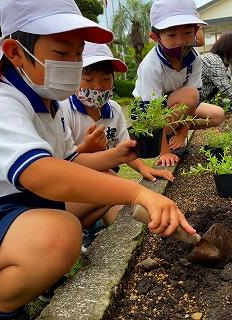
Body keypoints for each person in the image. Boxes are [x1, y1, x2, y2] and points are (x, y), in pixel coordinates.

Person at [0, 0, 195, 319]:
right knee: (60, 235)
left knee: (107, 185)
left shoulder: (48, 101)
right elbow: (40, 173)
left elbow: (70, 163)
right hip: (1, 208)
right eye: (62, 53)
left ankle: (30, 265)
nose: (73, 64)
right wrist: (137, 192)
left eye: (78, 53)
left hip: (22, 206)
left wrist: (115, 155)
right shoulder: (0, 100)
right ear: (16, 52)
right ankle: (2, 307)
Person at [61, 42, 175, 250]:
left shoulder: (113, 109)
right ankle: (74, 232)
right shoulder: (64, 109)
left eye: (106, 79)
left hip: (103, 187)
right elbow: (60, 163)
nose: (97, 87)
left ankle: (90, 229)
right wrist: (85, 147)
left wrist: (144, 168)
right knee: (110, 181)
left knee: (130, 223)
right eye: (88, 79)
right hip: (68, 193)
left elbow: (125, 146)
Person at [133, 0, 225, 167]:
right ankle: (162, 140)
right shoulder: (150, 66)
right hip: (147, 120)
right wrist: (164, 151)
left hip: (175, 110)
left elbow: (193, 104)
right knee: (189, 94)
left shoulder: (194, 59)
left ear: (196, 32)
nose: (181, 41)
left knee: (217, 114)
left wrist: (182, 135)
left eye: (187, 33)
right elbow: (152, 114)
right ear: (155, 37)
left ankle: (174, 132)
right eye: (171, 35)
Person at [200, 32, 232, 103]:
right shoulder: (214, 61)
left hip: (199, 99)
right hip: (193, 101)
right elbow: (225, 86)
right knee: (219, 112)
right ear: (229, 49)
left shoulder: (218, 60)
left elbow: (227, 83)